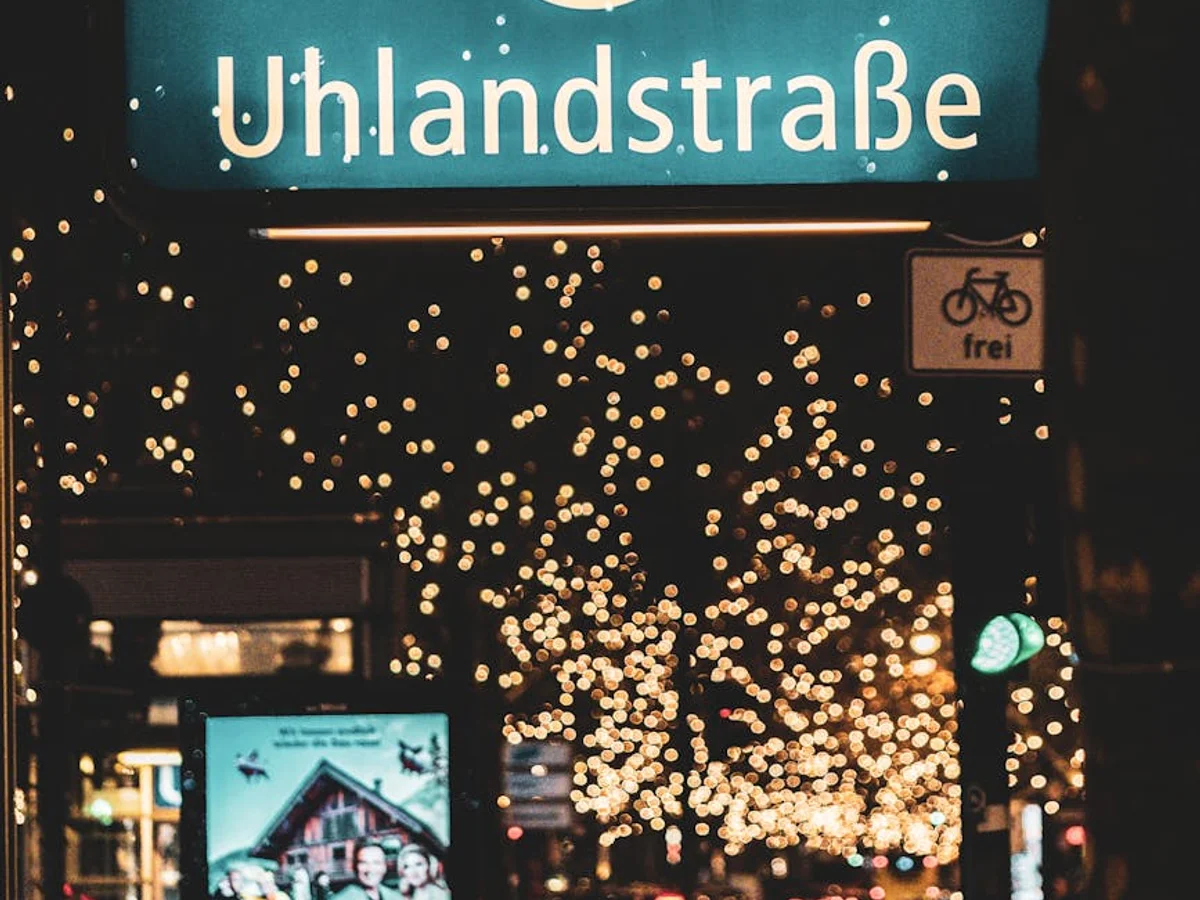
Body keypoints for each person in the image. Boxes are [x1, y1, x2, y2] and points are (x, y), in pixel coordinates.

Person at [333, 843, 401, 900]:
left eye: (376, 863)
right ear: (355, 866)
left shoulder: (396, 897)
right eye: (364, 863)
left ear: (385, 867)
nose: (370, 869)